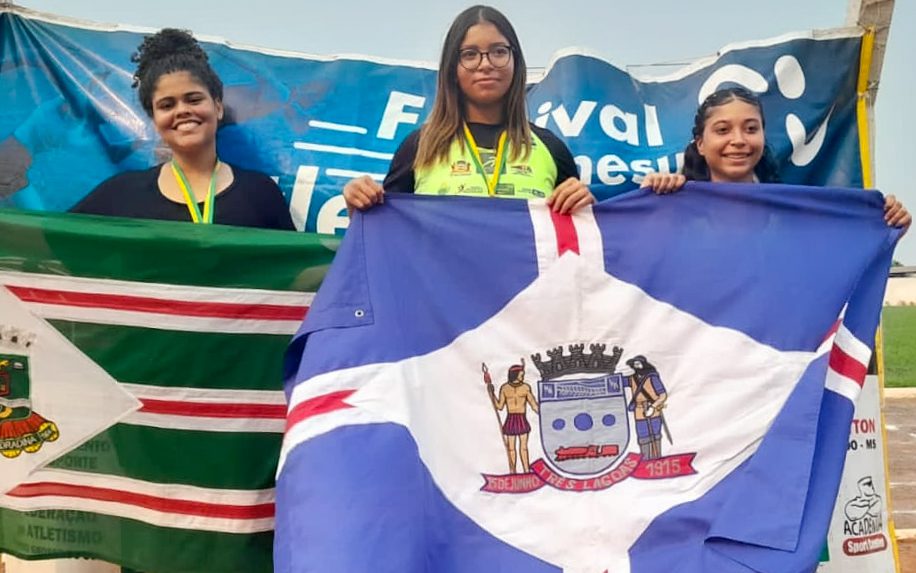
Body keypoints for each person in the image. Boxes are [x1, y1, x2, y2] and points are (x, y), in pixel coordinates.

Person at [343, 5, 593, 214]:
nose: (485, 64)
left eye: (498, 51)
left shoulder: (552, 149)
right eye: (470, 54)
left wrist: (586, 206)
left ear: (515, 61)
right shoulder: (419, 146)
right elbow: (385, 240)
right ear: (453, 67)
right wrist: (358, 206)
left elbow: (582, 246)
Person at [72, 29, 295, 230]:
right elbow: (54, 242)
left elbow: (291, 268)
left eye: (194, 99)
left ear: (218, 107)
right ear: (154, 120)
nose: (182, 111)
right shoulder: (121, 193)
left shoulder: (261, 192)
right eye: (167, 105)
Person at [641, 87, 911, 232]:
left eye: (751, 128)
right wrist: (650, 199)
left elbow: (838, 254)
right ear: (700, 143)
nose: (738, 140)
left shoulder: (789, 213)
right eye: (723, 130)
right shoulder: (674, 205)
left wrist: (887, 222)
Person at [489, 363, 539, 474]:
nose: (523, 376)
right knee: (511, 448)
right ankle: (513, 471)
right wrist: (492, 394)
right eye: (521, 374)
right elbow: (500, 406)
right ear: (515, 375)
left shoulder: (526, 387)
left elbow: (533, 404)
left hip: (522, 418)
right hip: (511, 419)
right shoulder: (505, 388)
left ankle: (526, 470)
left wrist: (542, 413)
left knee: (524, 447)